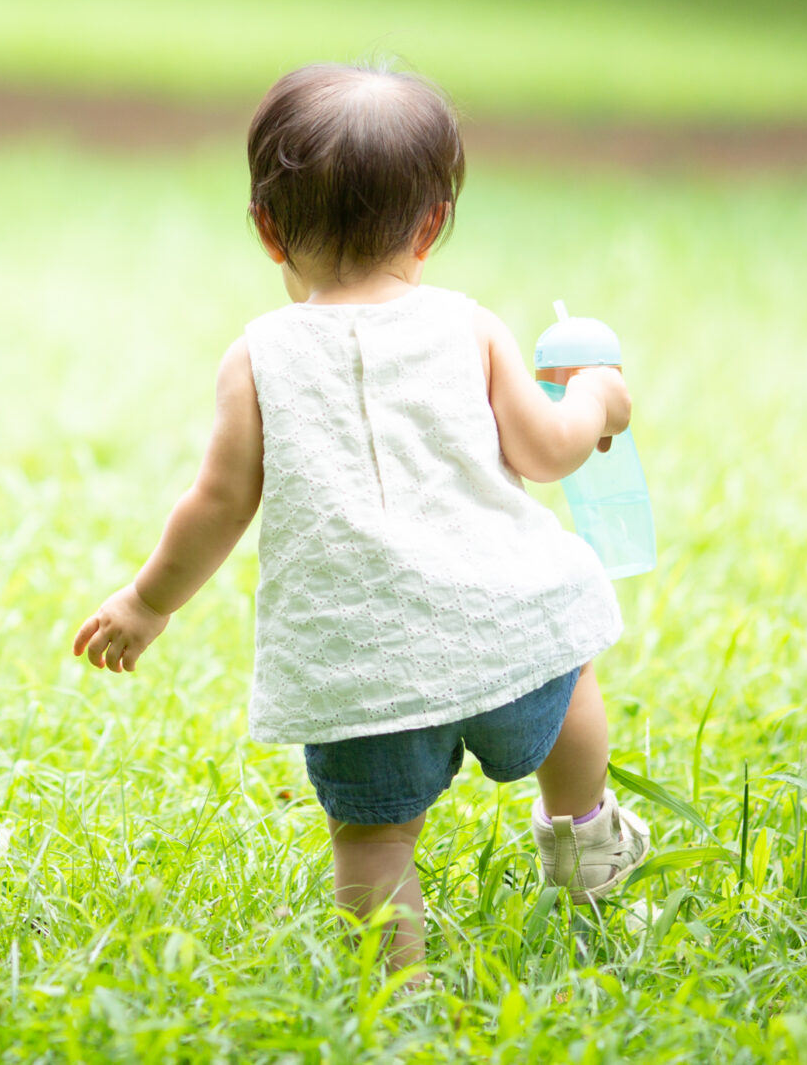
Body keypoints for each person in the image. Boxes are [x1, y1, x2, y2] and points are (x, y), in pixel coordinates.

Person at [70, 63, 645, 969]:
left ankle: (398, 996)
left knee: (375, 844)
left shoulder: (256, 357)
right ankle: (583, 833)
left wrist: (148, 602)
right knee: (567, 663)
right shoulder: (469, 326)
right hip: (506, 627)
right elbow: (545, 450)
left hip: (360, 665)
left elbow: (217, 503)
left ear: (267, 229)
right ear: (431, 225)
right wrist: (599, 406)